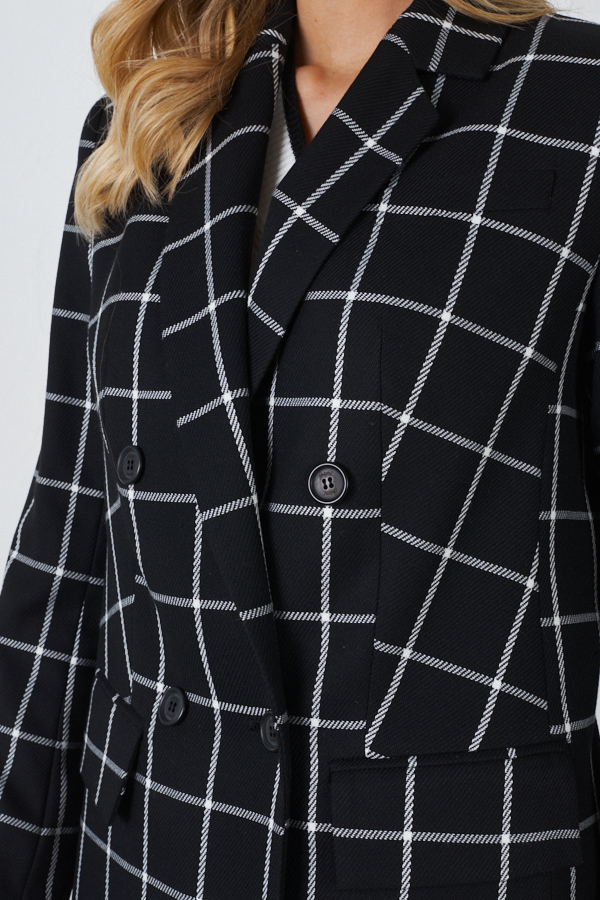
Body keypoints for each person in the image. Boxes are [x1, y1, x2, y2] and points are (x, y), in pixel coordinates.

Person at [1, 0, 600, 896]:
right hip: (149, 848)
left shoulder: (574, 103)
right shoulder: (144, 118)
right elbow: (67, 539)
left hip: (431, 858)